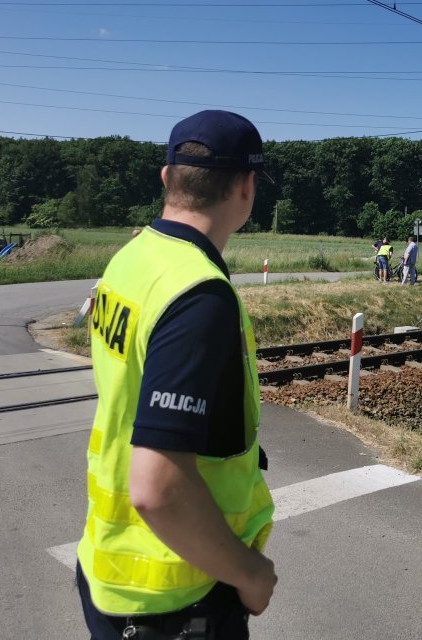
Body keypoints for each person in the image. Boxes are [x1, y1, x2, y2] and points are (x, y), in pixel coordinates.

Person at [76, 110, 277, 640]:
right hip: (175, 599)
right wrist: (251, 573)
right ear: (247, 188)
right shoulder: (198, 295)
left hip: (112, 568)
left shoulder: (133, 257)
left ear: (167, 179)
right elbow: (157, 488)